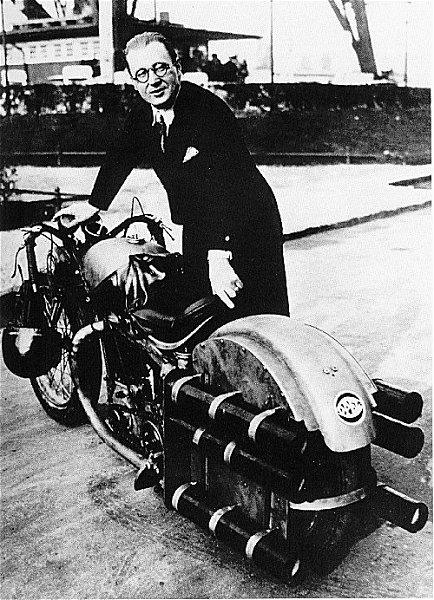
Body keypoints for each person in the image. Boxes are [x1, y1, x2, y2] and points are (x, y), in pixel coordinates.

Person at [55, 32, 289, 319]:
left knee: (255, 316)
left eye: (160, 68)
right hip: (199, 221)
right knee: (200, 310)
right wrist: (94, 205)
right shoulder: (144, 113)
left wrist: (219, 255)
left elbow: (226, 184)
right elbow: (121, 155)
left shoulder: (208, 111)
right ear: (133, 81)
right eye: (142, 74)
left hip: (246, 222)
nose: (153, 80)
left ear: (178, 68)